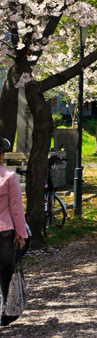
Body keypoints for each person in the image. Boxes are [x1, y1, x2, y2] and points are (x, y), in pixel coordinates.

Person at [0, 138, 28, 326]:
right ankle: (5, 312)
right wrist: (22, 235)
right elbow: (16, 209)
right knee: (5, 273)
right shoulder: (9, 176)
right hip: (4, 232)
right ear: (1, 155)